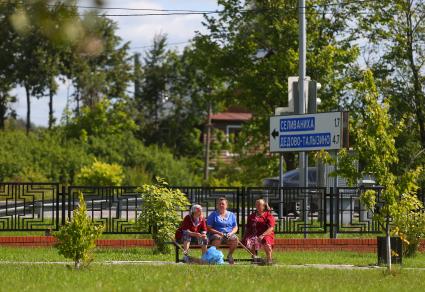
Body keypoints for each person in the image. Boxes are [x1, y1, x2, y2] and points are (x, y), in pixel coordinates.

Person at [243, 198, 275, 264]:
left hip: (266, 234)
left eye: (259, 205)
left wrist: (263, 235)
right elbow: (248, 227)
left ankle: (269, 259)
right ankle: (255, 258)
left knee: (266, 241)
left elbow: (271, 227)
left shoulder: (268, 215)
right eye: (256, 204)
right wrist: (244, 236)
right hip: (254, 234)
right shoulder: (252, 216)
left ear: (263, 206)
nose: (257, 206)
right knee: (248, 240)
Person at [207, 197, 238, 264]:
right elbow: (209, 228)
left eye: (223, 204)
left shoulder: (232, 215)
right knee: (218, 238)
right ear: (217, 205)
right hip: (216, 234)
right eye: (219, 204)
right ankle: (215, 257)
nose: (221, 205)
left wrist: (231, 233)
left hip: (228, 234)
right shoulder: (213, 215)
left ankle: (230, 255)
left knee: (235, 239)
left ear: (226, 205)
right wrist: (219, 233)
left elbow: (235, 227)